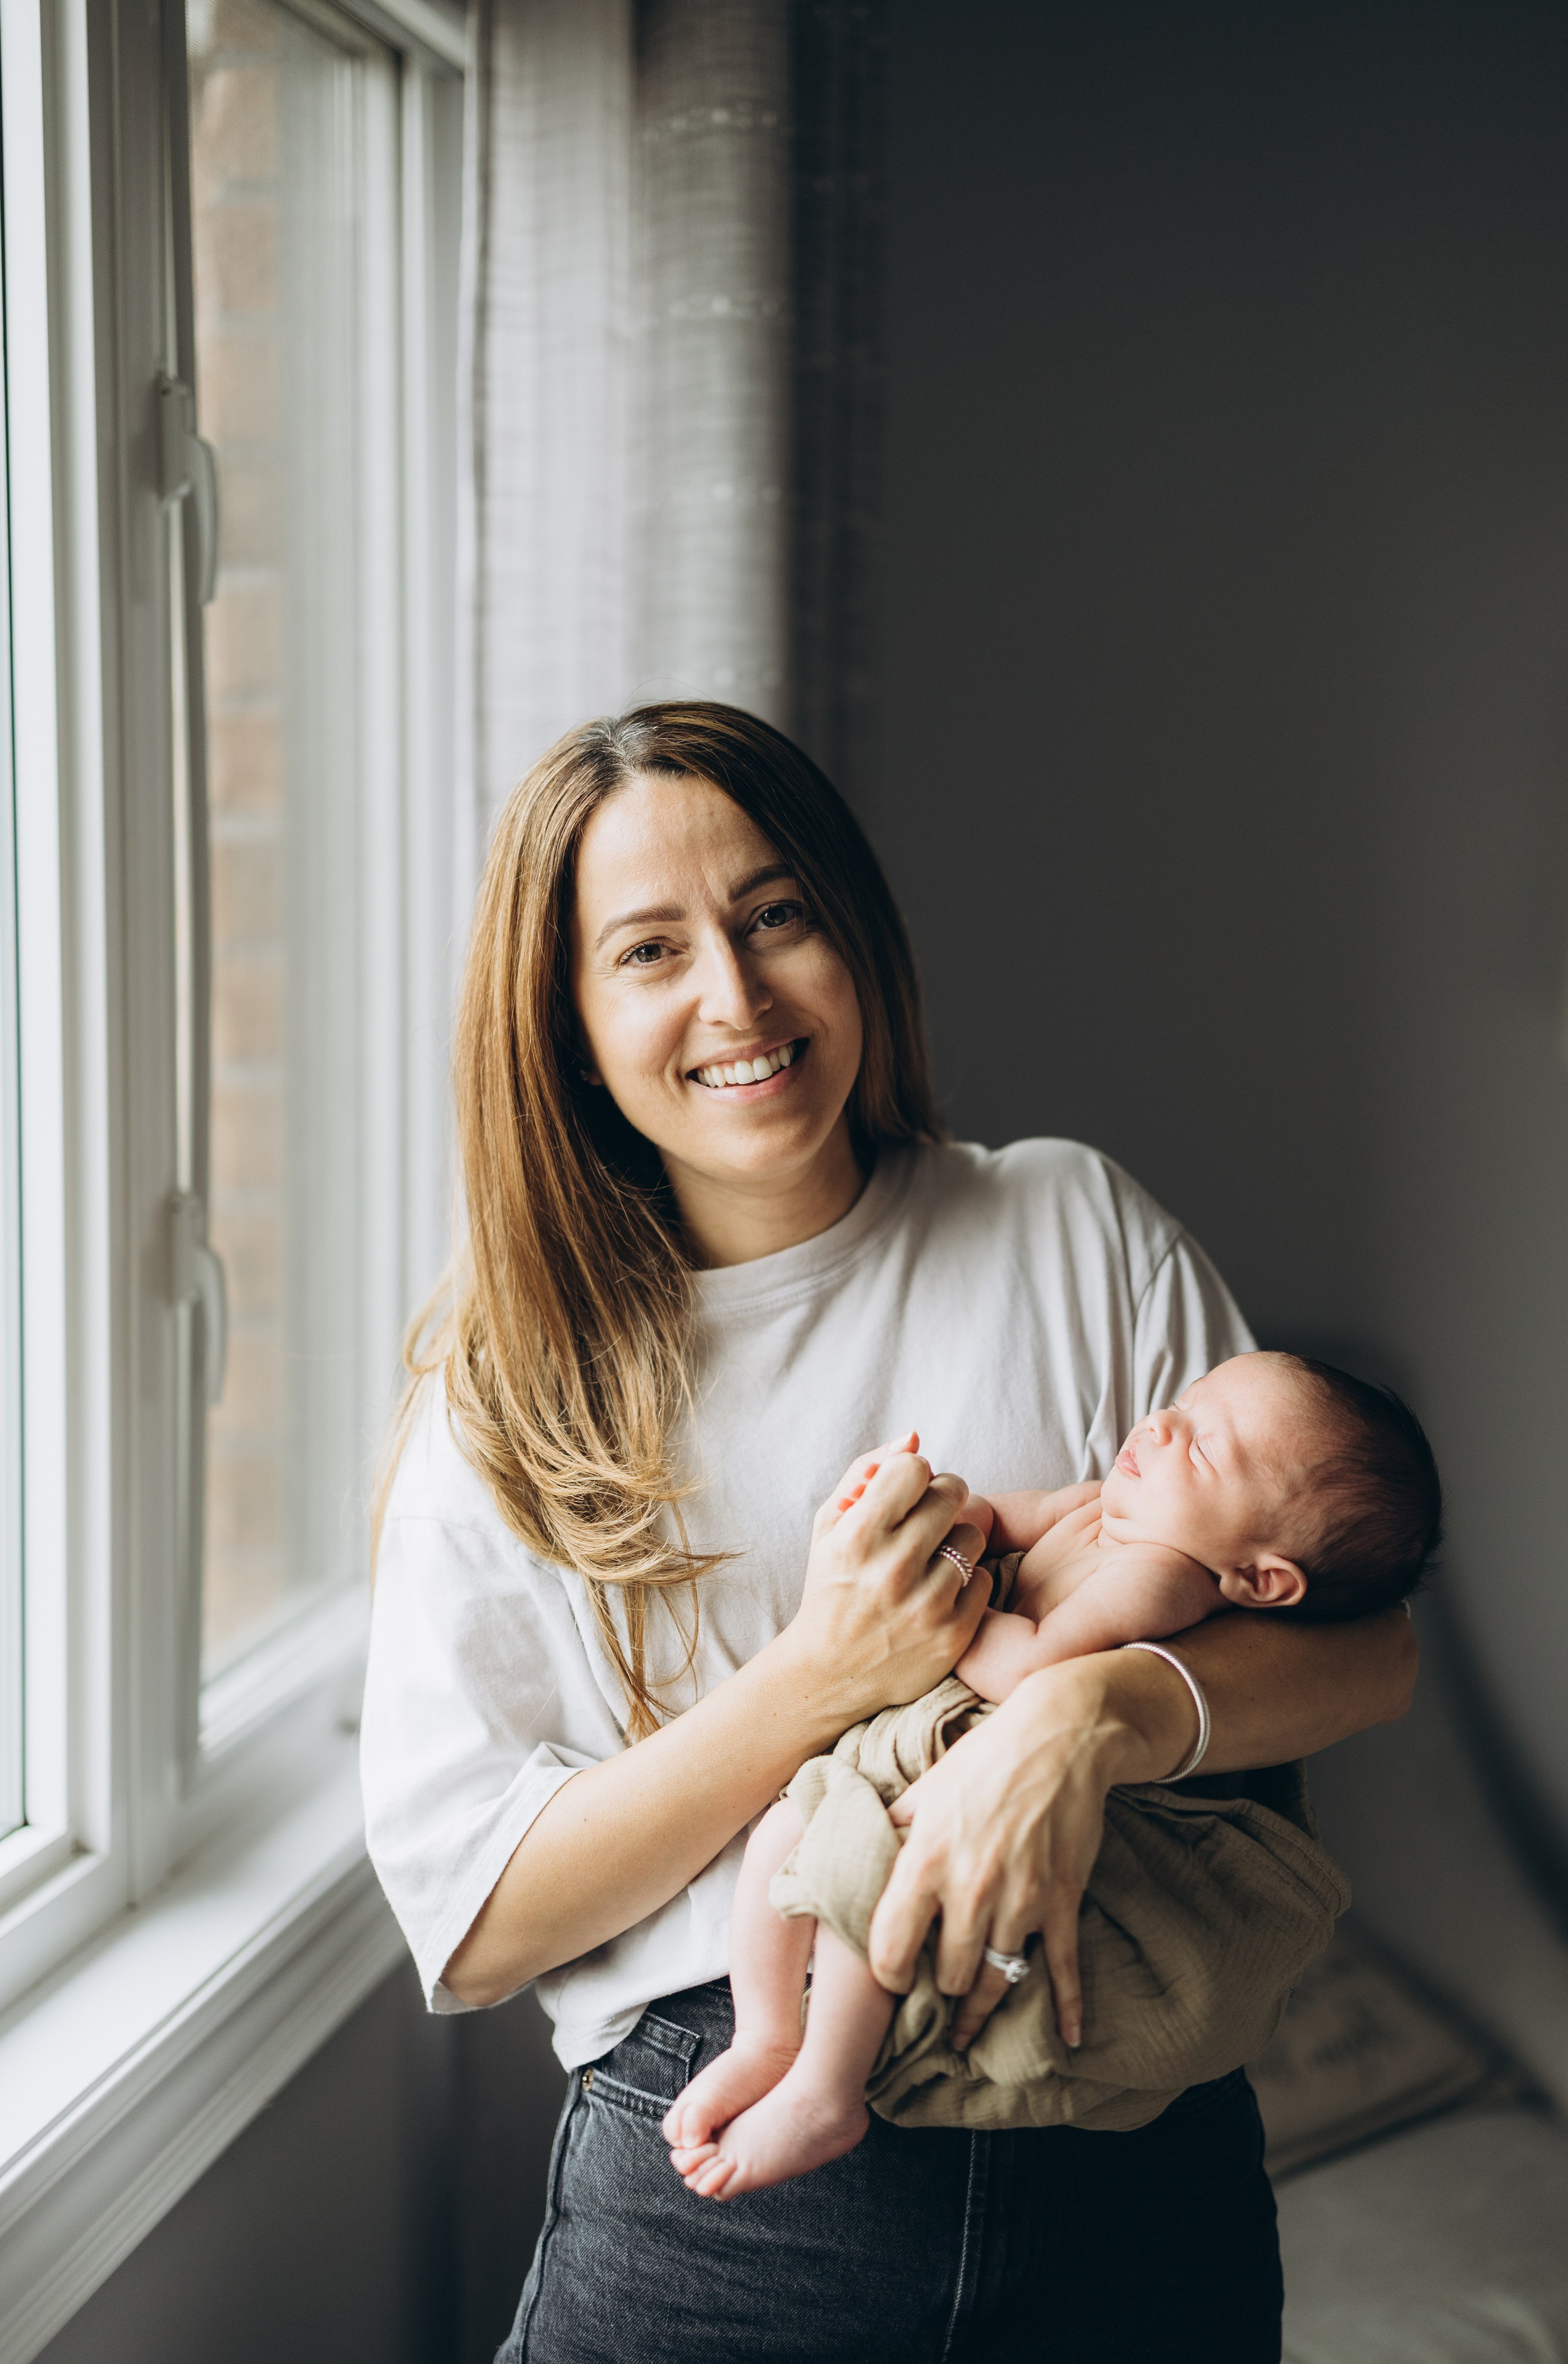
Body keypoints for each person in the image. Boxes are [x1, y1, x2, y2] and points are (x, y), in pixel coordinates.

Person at [360, 702, 1417, 2364]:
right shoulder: (516, 1388)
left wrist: (1087, 1716)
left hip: (1124, 2165)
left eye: (775, 914)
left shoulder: (1069, 1225)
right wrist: (814, 1681)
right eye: (649, 950)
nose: (737, 994)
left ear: (852, 936)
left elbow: (1364, 1647)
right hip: (733, 2185)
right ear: (564, 1025)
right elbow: (478, 1918)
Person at [663, 1351, 1441, 2200]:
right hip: (928, 1738)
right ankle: (767, 2037)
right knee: (782, 1833)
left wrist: (942, 1616)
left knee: (870, 1884)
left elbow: (1041, 1671)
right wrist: (920, 1518)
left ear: (1259, 1577)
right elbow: (995, 1519)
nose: (1161, 1426)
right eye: (1182, 1404)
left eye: (1206, 1449)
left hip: (985, 1754)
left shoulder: (1162, 1579)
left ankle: (826, 2088)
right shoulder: (1099, 1509)